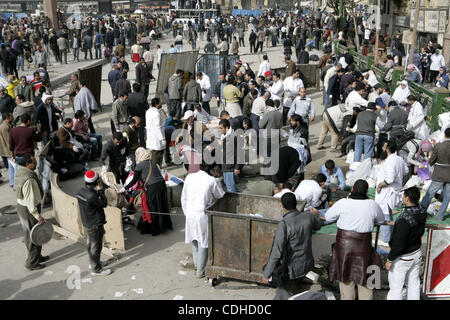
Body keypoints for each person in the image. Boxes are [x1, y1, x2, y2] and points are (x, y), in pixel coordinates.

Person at [323, 179, 385, 300]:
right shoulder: (372, 204)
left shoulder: (342, 203)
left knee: (346, 280)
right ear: (367, 192)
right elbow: (381, 220)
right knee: (366, 280)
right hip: (364, 250)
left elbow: (328, 217)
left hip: (344, 248)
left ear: (352, 190)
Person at [263, 192, 322, 300]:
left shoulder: (284, 224)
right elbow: (318, 226)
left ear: (282, 205)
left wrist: (267, 273)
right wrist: (316, 215)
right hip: (307, 264)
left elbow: (276, 252)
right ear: (296, 203)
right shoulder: (308, 216)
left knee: (283, 295)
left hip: (290, 269)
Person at [181, 165, 225, 278]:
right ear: (212, 171)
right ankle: (200, 271)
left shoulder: (189, 177)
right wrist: (218, 181)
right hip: (202, 215)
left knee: (195, 240)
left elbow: (183, 198)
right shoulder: (212, 180)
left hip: (190, 213)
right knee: (203, 242)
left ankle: (197, 266)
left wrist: (187, 212)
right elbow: (220, 195)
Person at [385, 187, 426, 300]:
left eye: (403, 196)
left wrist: (389, 259)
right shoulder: (422, 211)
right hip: (416, 253)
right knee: (413, 284)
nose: (402, 198)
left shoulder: (404, 219)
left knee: (396, 287)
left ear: (407, 198)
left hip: (403, 257)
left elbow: (399, 244)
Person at [125, 148, 172, 235]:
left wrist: (126, 187)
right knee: (161, 205)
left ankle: (155, 229)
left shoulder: (139, 166)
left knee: (153, 208)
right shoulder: (152, 161)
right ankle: (164, 225)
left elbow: (134, 180)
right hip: (162, 185)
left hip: (152, 188)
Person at [15, 154, 49, 270]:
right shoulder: (28, 179)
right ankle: (31, 263)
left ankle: (37, 257)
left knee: (31, 234)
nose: (36, 164)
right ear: (27, 164)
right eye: (33, 162)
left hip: (23, 207)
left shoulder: (21, 171)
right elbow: (30, 201)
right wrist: (37, 215)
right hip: (29, 210)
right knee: (34, 236)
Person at [76, 170, 112, 276]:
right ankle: (96, 269)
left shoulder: (80, 192)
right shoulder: (92, 196)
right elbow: (104, 203)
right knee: (96, 246)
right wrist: (101, 190)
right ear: (96, 182)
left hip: (86, 221)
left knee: (90, 244)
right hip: (95, 223)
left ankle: (94, 263)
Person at [375, 140, 409, 246]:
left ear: (388, 149)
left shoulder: (391, 161)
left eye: (384, 147)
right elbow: (406, 171)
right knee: (388, 213)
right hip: (394, 190)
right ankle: (389, 236)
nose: (383, 149)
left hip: (387, 191)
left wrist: (380, 185)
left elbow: (390, 178)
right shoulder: (399, 159)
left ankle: (385, 239)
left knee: (385, 214)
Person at [420, 127, 450, 221]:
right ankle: (440, 216)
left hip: (439, 174)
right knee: (447, 197)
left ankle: (421, 213)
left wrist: (431, 163)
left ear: (445, 135)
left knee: (429, 194)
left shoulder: (438, 146)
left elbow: (431, 161)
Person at [217, 118, 243, 192]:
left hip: (230, 167)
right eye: (219, 128)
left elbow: (240, 153)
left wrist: (237, 167)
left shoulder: (233, 137)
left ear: (227, 128)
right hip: (225, 166)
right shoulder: (224, 137)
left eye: (221, 128)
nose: (220, 130)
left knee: (231, 188)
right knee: (228, 185)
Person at [146, 97, 166, 167]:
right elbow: (157, 127)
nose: (161, 103)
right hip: (157, 139)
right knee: (157, 158)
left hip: (151, 138)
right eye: (160, 102)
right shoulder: (156, 114)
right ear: (157, 104)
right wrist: (162, 139)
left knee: (154, 156)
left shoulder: (148, 111)